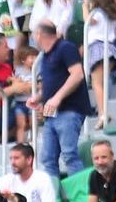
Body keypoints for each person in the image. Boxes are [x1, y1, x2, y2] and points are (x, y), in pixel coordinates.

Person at [28, 19, 90, 180]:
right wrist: (39, 96)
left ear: (39, 34)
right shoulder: (45, 56)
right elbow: (54, 81)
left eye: (34, 34)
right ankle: (53, 198)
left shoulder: (65, 47)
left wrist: (56, 98)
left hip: (69, 110)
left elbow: (77, 75)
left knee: (69, 154)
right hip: (52, 114)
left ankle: (82, 197)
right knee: (47, 158)